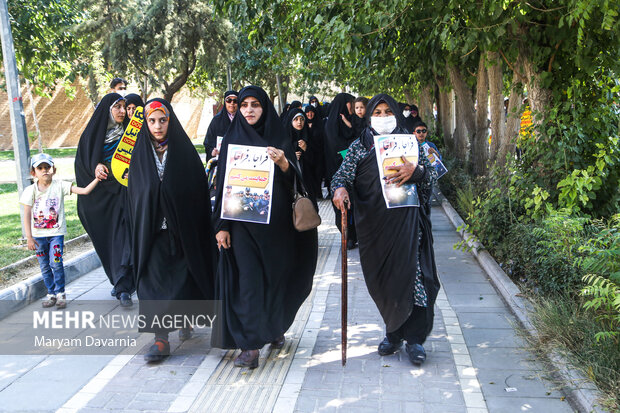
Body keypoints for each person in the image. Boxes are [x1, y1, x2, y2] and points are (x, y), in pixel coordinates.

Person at [212, 85, 318, 369]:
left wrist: (284, 163)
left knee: (275, 279)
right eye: (244, 104)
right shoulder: (233, 140)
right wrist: (221, 226)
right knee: (248, 282)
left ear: (264, 108)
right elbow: (222, 184)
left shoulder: (278, 137)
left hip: (277, 228)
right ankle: (250, 346)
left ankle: (273, 327)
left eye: (255, 104)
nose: (248, 109)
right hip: (242, 228)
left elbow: (296, 183)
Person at [331, 93, 440, 366]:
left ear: (396, 113)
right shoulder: (360, 146)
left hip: (408, 224)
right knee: (384, 281)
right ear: (368, 117)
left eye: (386, 111)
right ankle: (393, 332)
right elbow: (341, 175)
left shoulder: (412, 143)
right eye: (376, 113)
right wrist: (339, 189)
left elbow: (430, 177)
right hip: (374, 228)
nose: (382, 117)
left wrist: (416, 173)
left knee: (413, 276)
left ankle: (414, 339)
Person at [128, 98, 217, 362]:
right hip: (152, 233)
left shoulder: (185, 153)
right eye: (152, 120)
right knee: (154, 282)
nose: (157, 126)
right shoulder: (139, 155)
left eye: (162, 120)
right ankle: (160, 338)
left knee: (183, 279)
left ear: (170, 121)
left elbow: (196, 192)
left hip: (183, 232)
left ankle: (185, 319)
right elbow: (135, 195)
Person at [75, 93, 135, 307]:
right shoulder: (92, 134)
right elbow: (83, 163)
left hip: (127, 193)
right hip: (104, 198)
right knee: (113, 240)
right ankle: (120, 282)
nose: (121, 111)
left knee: (128, 235)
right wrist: (96, 167)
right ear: (107, 110)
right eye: (117, 107)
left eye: (123, 106)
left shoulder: (130, 134)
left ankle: (125, 286)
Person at [20, 153, 100, 309]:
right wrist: (29, 237)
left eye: (47, 167)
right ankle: (51, 294)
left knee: (56, 263)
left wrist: (97, 178)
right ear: (33, 172)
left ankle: (60, 293)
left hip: (56, 234)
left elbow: (84, 191)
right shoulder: (30, 191)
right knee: (44, 265)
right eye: (40, 168)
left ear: (53, 169)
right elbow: (27, 214)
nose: (44, 171)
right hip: (38, 237)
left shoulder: (60, 186)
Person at [324, 92, 357, 247]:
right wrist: (351, 152)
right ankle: (347, 236)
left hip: (354, 174)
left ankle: (354, 235)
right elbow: (337, 147)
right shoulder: (331, 125)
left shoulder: (351, 121)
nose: (353, 106)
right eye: (351, 103)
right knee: (342, 205)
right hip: (337, 172)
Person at [286, 108, 320, 207]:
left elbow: (316, 161)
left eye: (302, 119)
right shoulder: (285, 139)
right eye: (296, 120)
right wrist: (292, 157)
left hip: (308, 181)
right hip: (291, 183)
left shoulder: (309, 137)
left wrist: (306, 150)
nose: (299, 122)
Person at [204, 90, 238, 163]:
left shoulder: (244, 119)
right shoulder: (216, 120)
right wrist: (212, 151)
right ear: (224, 102)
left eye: (235, 101)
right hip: (221, 161)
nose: (232, 103)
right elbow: (208, 142)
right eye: (229, 100)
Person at [304, 104, 326, 198]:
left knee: (318, 174)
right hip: (307, 155)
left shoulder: (319, 124)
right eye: (308, 112)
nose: (310, 114)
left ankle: (318, 193)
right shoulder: (303, 124)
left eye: (311, 112)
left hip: (319, 154)